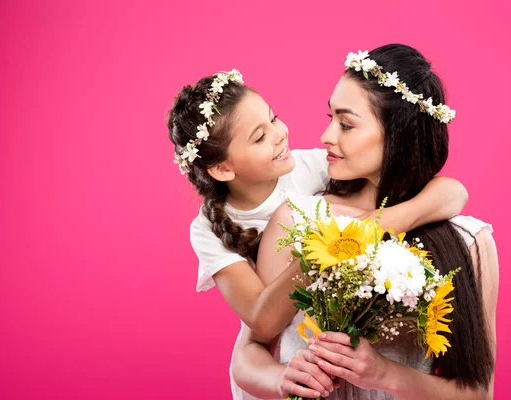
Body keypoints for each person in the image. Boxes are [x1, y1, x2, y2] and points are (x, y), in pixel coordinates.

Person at [166, 66, 470, 399]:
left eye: (274, 118)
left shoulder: (309, 167)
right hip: (278, 366)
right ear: (223, 168)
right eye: (260, 136)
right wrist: (323, 250)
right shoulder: (209, 227)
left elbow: (454, 193)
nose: (280, 133)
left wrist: (376, 224)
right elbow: (261, 324)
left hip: (320, 334)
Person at [232, 44, 497, 400]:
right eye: (329, 118)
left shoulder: (468, 242)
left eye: (346, 124)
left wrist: (386, 374)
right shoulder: (297, 220)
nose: (326, 136)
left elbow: (478, 392)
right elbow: (248, 353)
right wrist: (283, 377)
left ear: (398, 135)